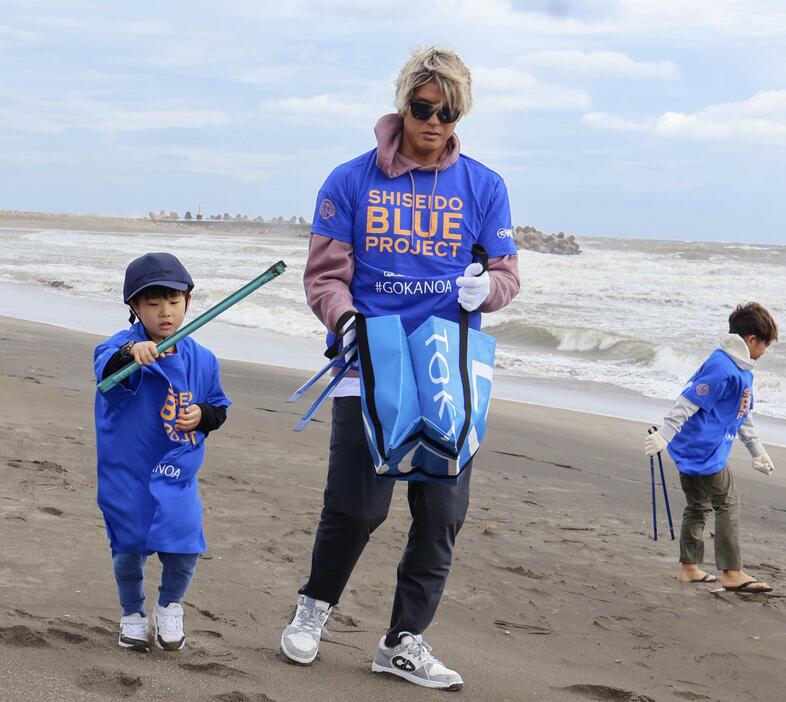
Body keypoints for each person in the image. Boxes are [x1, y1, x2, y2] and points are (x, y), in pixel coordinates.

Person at [280, 47, 520, 691]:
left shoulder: (484, 185)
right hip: (369, 367)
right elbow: (325, 275)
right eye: (422, 108)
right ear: (403, 103)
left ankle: (404, 640)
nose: (434, 122)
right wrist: (344, 318)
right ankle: (314, 609)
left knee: (441, 514)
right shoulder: (350, 180)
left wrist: (487, 291)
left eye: (448, 112)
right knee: (356, 509)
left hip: (450, 370)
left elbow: (505, 273)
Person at [94, 252, 231, 652]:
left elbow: (220, 408)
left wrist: (201, 415)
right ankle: (132, 613)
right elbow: (105, 371)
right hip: (128, 472)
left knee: (185, 547)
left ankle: (170, 605)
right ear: (135, 308)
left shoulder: (203, 359)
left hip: (177, 474)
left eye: (173, 301)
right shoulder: (118, 347)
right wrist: (130, 356)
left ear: (189, 300)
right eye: (152, 304)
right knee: (127, 551)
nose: (164, 313)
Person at [645, 302, 778, 593]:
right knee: (727, 503)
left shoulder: (737, 368)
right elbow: (687, 401)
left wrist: (758, 452)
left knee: (698, 506)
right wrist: (664, 435)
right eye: (765, 344)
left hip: (691, 448)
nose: (766, 352)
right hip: (704, 450)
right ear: (751, 340)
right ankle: (732, 572)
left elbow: (743, 415)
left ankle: (689, 568)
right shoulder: (724, 368)